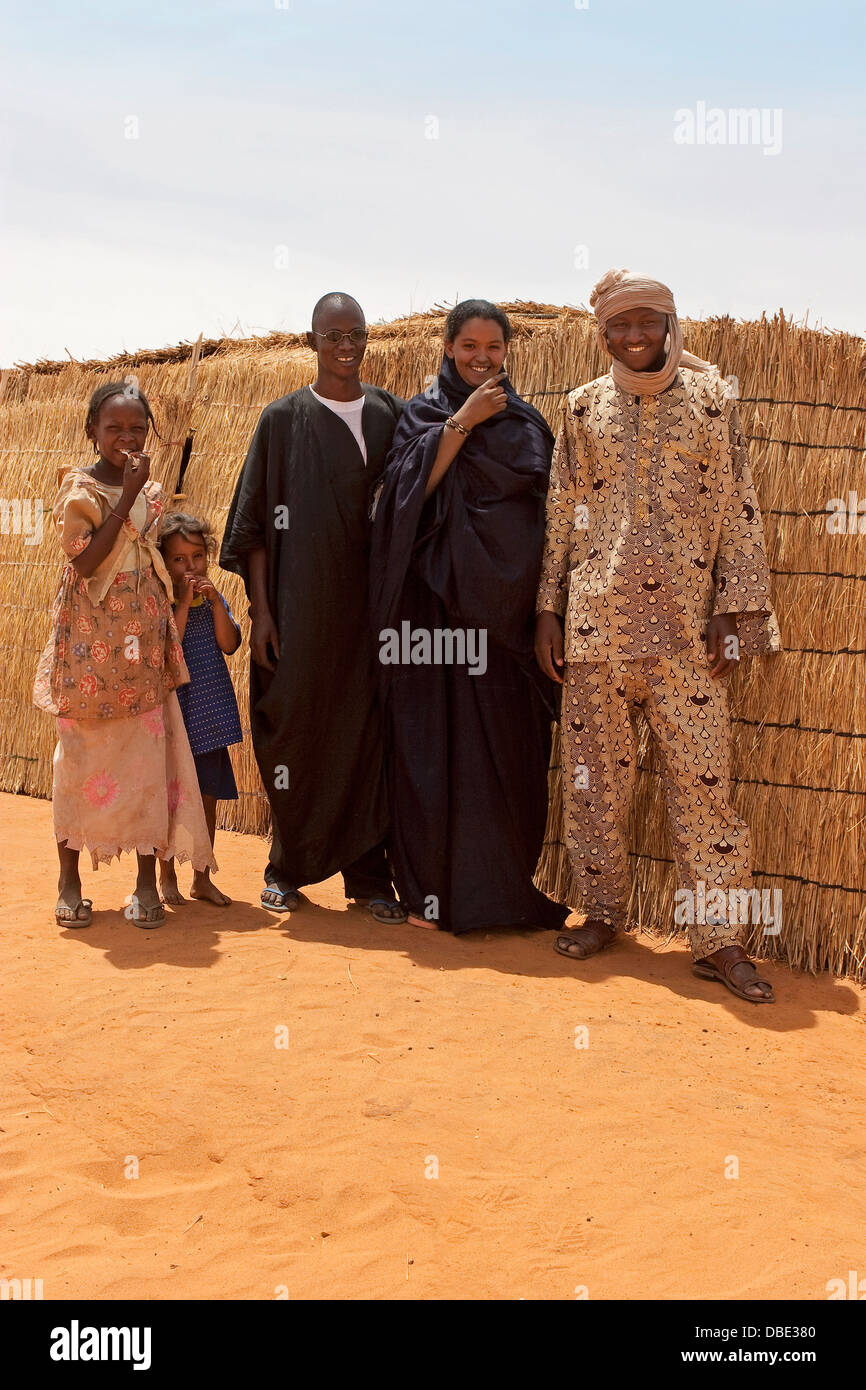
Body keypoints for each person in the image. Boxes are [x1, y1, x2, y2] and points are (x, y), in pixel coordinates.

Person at [535, 268, 781, 1002]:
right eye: (620, 324)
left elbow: (739, 504)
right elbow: (561, 512)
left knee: (705, 788)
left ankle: (720, 940)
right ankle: (602, 911)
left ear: (671, 324)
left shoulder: (712, 400)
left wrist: (735, 612)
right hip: (595, 627)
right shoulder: (581, 409)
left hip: (687, 634)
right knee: (593, 786)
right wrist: (548, 607)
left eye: (648, 321)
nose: (635, 336)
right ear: (602, 332)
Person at [370, 299, 570, 936]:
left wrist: (538, 611)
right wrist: (460, 422)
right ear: (448, 349)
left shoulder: (531, 426)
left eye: (493, 348)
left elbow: (550, 525)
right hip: (434, 621)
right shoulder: (422, 415)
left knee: (508, 756)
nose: (481, 358)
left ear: (507, 351)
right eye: (468, 348)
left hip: (506, 628)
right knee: (432, 752)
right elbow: (401, 502)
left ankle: (504, 894)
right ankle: (430, 894)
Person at [219, 293, 407, 923]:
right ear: (313, 341)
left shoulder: (390, 415)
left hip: (372, 615)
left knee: (369, 735)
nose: (346, 346)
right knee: (294, 729)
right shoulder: (282, 420)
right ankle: (286, 867)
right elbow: (252, 531)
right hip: (299, 611)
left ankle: (370, 877)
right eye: (333, 335)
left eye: (356, 333)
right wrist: (264, 614)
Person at [33, 382, 217, 929]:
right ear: (92, 430)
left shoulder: (154, 493)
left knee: (143, 763)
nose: (127, 437)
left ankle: (144, 884)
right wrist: (128, 494)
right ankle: (69, 878)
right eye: (114, 428)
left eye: (138, 428)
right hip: (89, 648)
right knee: (80, 759)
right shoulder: (79, 491)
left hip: (142, 649)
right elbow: (87, 564)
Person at [158, 512, 243, 907]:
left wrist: (213, 602)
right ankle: (166, 876)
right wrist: (187, 603)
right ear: (163, 562)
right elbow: (170, 649)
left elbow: (229, 644)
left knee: (207, 796)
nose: (190, 566)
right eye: (179, 559)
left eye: (197, 556)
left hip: (209, 717)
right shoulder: (163, 602)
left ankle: (202, 876)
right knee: (171, 800)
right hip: (176, 718)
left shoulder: (214, 600)